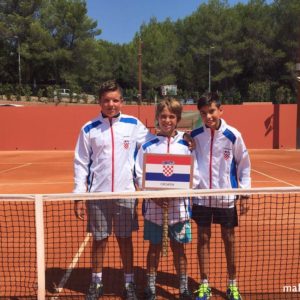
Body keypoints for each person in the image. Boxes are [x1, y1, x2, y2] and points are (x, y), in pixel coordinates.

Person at [73, 80, 153, 300]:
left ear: (122, 102)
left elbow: (154, 144)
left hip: (126, 194)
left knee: (125, 239)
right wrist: (79, 195)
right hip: (98, 195)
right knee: (99, 240)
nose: (111, 104)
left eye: (115, 100)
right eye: (107, 100)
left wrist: (182, 139)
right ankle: (96, 282)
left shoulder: (134, 125)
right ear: (100, 102)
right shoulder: (88, 129)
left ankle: (129, 283)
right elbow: (81, 163)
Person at [135, 98, 200, 300]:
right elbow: (139, 175)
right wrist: (154, 196)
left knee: (179, 250)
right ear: (157, 118)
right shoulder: (148, 146)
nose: (167, 120)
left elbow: (194, 175)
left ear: (178, 118)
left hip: (179, 209)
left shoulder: (187, 145)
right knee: (153, 249)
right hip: (154, 209)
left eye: (172, 116)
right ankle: (151, 287)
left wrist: (177, 193)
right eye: (163, 116)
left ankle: (183, 288)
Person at [191, 92, 251, 300]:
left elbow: (243, 164)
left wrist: (244, 194)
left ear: (220, 110)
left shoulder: (233, 135)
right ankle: (204, 283)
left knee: (229, 239)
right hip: (202, 198)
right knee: (203, 239)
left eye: (212, 111)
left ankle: (232, 284)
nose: (208, 116)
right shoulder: (196, 135)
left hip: (226, 197)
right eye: (204, 113)